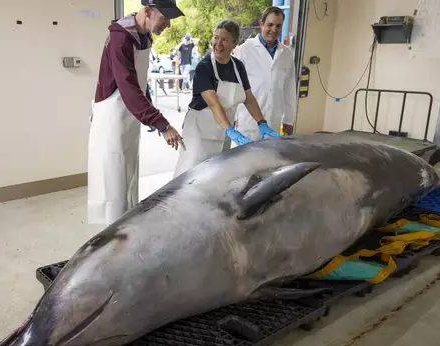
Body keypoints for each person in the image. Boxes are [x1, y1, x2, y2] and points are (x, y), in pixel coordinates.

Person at [87, 0, 186, 225]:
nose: (168, 25)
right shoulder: (120, 38)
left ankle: (125, 234)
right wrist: (161, 124)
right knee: (114, 187)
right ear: (148, 11)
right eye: (165, 18)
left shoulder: (144, 36)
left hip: (128, 118)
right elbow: (128, 87)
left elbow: (140, 83)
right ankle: (112, 244)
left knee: (128, 180)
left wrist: (150, 113)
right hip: (112, 120)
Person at [173, 19, 280, 178]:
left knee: (216, 177)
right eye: (216, 38)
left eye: (224, 40)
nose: (218, 43)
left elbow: (248, 98)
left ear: (234, 44)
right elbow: (214, 103)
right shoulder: (204, 67)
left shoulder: (238, 67)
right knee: (191, 176)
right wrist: (231, 130)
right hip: (200, 134)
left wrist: (261, 123)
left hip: (223, 133)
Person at [234, 6, 298, 138]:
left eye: (278, 26)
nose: (274, 30)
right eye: (270, 25)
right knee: (245, 158)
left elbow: (289, 89)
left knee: (270, 158)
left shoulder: (286, 54)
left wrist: (288, 119)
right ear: (261, 24)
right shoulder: (245, 49)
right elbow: (235, 85)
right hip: (247, 122)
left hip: (273, 122)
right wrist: (232, 116)